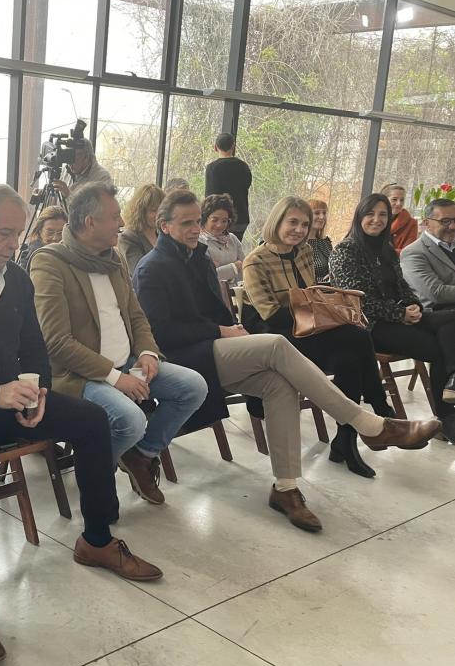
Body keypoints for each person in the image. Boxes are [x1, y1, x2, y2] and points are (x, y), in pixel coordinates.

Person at [0, 182, 163, 664]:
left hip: (7, 397)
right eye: (5, 233)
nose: (14, 243)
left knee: (90, 418)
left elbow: (35, 352)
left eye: (18, 234)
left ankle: (98, 539)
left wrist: (38, 391)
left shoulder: (17, 279)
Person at [134, 190, 439, 532]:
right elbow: (161, 334)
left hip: (216, 346)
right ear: (163, 226)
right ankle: (371, 425)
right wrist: (223, 330)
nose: (195, 229)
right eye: (186, 223)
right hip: (186, 358)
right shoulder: (152, 268)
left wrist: (228, 328)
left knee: (281, 384)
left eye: (196, 222)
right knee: (278, 345)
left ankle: (286, 488)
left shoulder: (198, 258)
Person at [30, 182, 207, 504]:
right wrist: (115, 378)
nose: (123, 223)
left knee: (193, 386)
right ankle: (97, 479)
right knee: (130, 419)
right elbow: (55, 342)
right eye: (115, 216)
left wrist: (148, 352)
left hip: (127, 362)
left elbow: (137, 316)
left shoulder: (113, 259)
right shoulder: (49, 262)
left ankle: (140, 456)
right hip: (76, 375)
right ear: (90, 222)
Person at [241, 197, 398, 479]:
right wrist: (317, 310)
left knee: (349, 360)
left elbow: (310, 292)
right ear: (277, 221)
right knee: (356, 334)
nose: (299, 230)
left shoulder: (304, 252)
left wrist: (319, 308)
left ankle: (346, 442)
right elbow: (270, 314)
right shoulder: (255, 261)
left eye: (304, 224)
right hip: (274, 336)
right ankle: (380, 405)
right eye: (293, 222)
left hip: (307, 327)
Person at [330, 194, 455, 443]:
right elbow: (357, 300)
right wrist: (401, 314)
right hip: (368, 326)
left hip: (398, 318)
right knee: (441, 346)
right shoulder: (345, 251)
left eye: (383, 215)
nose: (377, 220)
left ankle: (452, 385)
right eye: (371, 214)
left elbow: (404, 288)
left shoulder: (386, 250)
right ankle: (448, 418)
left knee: (450, 323)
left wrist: (412, 306)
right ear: (359, 217)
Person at [401, 198, 455, 312]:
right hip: (439, 315)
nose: (452, 226)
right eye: (445, 221)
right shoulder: (413, 252)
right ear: (427, 223)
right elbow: (436, 293)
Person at [205, 133, 252, 240]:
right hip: (241, 218)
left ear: (215, 147)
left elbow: (210, 197)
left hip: (219, 220)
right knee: (235, 250)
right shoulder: (243, 166)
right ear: (233, 146)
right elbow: (247, 185)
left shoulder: (213, 168)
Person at [118, 183, 163, 277]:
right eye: (153, 210)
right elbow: (140, 272)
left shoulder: (163, 235)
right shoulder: (128, 238)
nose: (159, 215)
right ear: (140, 211)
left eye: (161, 210)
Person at [199, 193, 245, 283]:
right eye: (214, 220)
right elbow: (207, 276)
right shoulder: (199, 241)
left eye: (224, 221)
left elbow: (245, 267)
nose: (219, 225)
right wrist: (234, 267)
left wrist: (221, 270)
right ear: (204, 218)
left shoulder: (232, 239)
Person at [17, 204, 67, 272]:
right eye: (50, 232)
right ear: (40, 231)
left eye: (60, 232)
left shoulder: (70, 256)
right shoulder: (30, 258)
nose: (55, 238)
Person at [380, 183, 418, 255]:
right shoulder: (374, 219)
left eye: (402, 200)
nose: (399, 203)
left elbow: (408, 252)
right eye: (394, 199)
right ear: (384, 200)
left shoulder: (411, 223)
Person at [306, 199, 333, 284]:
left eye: (324, 213)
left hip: (330, 291)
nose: (322, 217)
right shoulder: (298, 245)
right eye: (317, 213)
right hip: (310, 292)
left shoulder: (326, 242)